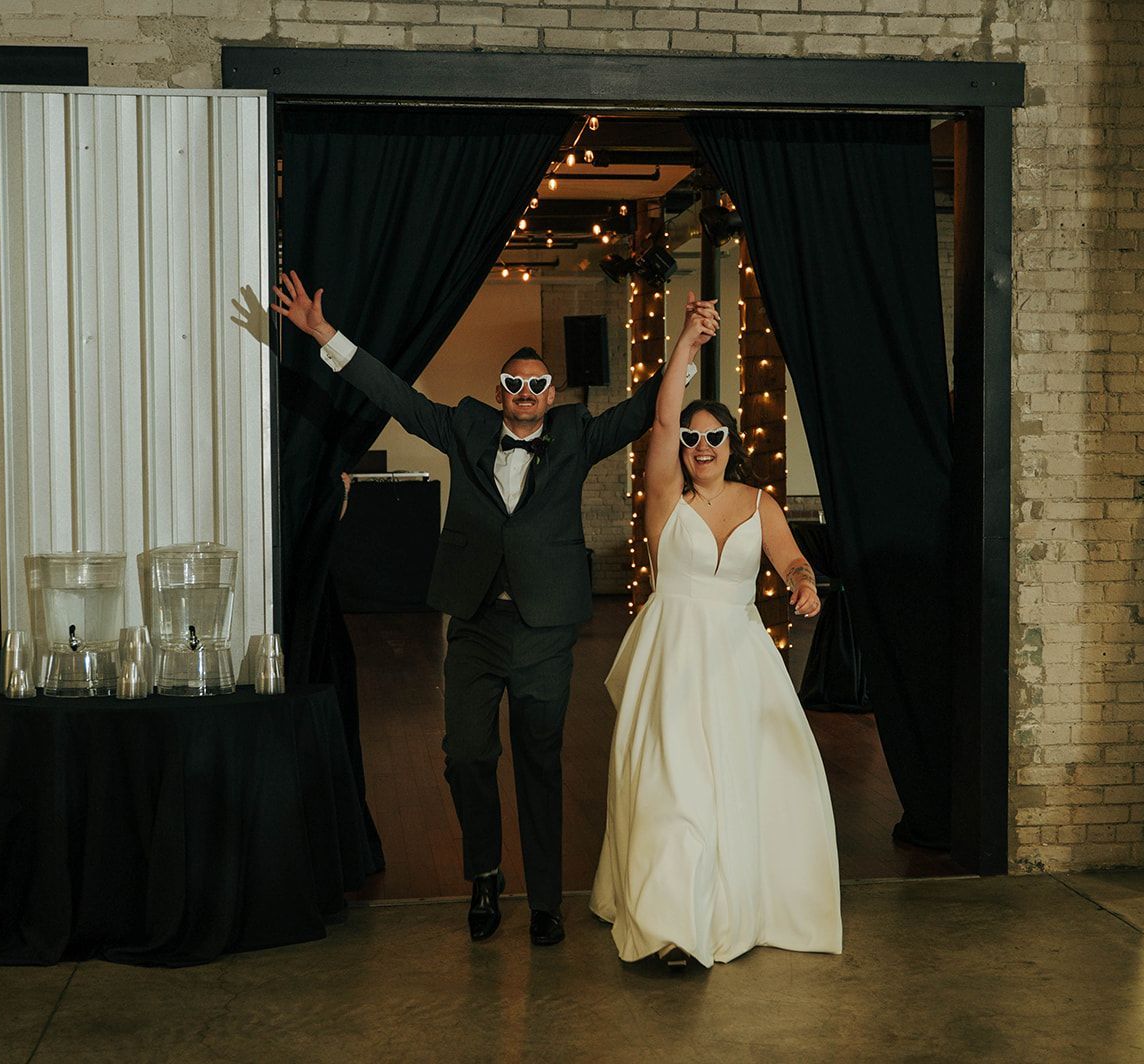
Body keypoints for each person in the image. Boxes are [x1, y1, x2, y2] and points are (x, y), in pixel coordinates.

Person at [272, 270, 715, 947]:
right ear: (501, 391)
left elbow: (646, 408)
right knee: (466, 755)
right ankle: (484, 877)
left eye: (539, 385)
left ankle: (544, 902)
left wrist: (686, 341)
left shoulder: (575, 434)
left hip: (546, 627)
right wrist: (324, 336)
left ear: (550, 393)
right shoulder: (465, 427)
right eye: (516, 384)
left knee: (540, 758)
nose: (528, 395)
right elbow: (392, 392)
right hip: (476, 622)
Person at [589, 296, 843, 970]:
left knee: (737, 779)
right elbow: (664, 414)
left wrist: (802, 580)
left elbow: (789, 556)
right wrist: (685, 345)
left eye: (713, 438)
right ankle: (673, 928)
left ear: (733, 445)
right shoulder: (665, 494)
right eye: (691, 438)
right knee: (673, 785)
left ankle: (729, 904)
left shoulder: (759, 503)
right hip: (672, 651)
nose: (699, 446)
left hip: (736, 655)